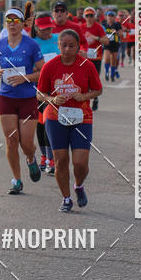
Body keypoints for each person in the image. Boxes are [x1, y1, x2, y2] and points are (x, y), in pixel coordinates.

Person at [37, 28, 103, 212]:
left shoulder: (86, 65)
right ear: (58, 46)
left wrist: (84, 96)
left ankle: (79, 186)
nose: (67, 49)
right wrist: (52, 99)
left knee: (80, 163)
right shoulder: (50, 66)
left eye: (71, 46)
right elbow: (40, 93)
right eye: (63, 45)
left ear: (78, 46)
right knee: (61, 161)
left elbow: (98, 90)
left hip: (82, 117)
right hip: (55, 117)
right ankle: (66, 198)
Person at [0, 7, 44, 194]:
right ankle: (17, 180)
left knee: (26, 143)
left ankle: (31, 159)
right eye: (9, 20)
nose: (12, 24)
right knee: (11, 140)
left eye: (16, 20)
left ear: (22, 23)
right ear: (5, 23)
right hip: (6, 98)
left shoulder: (31, 45)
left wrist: (24, 78)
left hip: (27, 98)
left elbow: (42, 72)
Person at [31, 14, 59, 174]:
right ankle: (45, 157)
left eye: (50, 27)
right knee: (41, 124)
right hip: (39, 89)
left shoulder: (58, 39)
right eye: (44, 29)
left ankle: (52, 158)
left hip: (57, 88)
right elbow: (29, 66)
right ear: (36, 28)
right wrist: (40, 68)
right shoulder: (33, 43)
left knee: (52, 123)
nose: (48, 31)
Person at [80, 7, 108, 110]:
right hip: (84, 58)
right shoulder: (81, 27)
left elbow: (106, 41)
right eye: (87, 15)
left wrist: (96, 38)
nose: (89, 17)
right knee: (83, 80)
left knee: (94, 81)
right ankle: (85, 101)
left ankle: (95, 99)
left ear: (94, 16)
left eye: (91, 15)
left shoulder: (98, 27)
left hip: (96, 58)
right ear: (84, 17)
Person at [102, 10, 122, 81]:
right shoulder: (103, 24)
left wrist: (116, 32)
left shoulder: (117, 24)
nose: (110, 18)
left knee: (113, 60)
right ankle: (107, 72)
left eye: (112, 16)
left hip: (115, 44)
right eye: (109, 16)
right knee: (107, 58)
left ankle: (112, 75)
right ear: (106, 17)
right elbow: (100, 32)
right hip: (107, 44)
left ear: (114, 17)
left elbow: (121, 34)